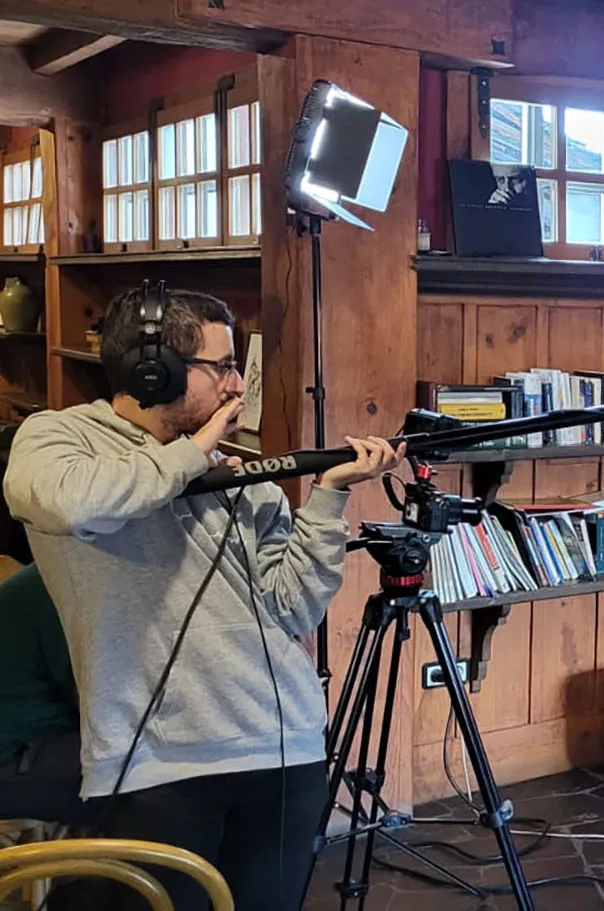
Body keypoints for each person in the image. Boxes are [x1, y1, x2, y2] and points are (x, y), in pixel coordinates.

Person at [2, 286, 404, 911]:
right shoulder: (59, 440)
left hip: (286, 747)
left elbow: (294, 605)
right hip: (157, 762)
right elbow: (70, 505)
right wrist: (189, 457)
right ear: (152, 369)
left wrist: (328, 497)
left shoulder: (239, 473)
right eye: (223, 366)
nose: (237, 386)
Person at [0, 563, 97, 828]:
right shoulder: (69, 587)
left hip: (30, 742)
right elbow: (99, 708)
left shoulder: (57, 571)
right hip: (11, 757)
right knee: (146, 773)